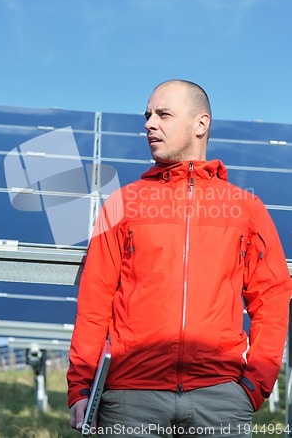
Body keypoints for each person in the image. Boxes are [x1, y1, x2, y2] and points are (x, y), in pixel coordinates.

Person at [67, 80, 292, 437]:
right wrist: (80, 387)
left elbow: (273, 297)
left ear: (200, 124)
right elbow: (95, 300)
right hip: (129, 400)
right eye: (148, 115)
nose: (149, 124)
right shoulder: (123, 203)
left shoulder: (245, 208)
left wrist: (254, 386)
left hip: (221, 400)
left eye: (163, 114)